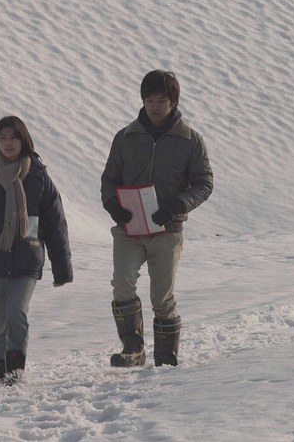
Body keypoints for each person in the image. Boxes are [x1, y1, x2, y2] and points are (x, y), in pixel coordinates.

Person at [100, 70, 213, 367]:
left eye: (161, 100)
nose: (154, 106)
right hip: (129, 229)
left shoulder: (190, 140)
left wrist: (177, 205)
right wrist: (113, 204)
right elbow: (109, 178)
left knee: (162, 297)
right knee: (122, 283)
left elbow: (204, 182)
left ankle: (165, 359)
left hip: (167, 230)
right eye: (149, 100)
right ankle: (132, 349)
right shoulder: (126, 137)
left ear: (173, 102)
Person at [0, 115, 73, 384]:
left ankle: (15, 375)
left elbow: (56, 223)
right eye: (3, 138)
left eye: (14, 137)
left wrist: (62, 267)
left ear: (24, 140)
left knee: (16, 313)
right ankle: (0, 375)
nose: (8, 143)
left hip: (26, 257)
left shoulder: (38, 176)